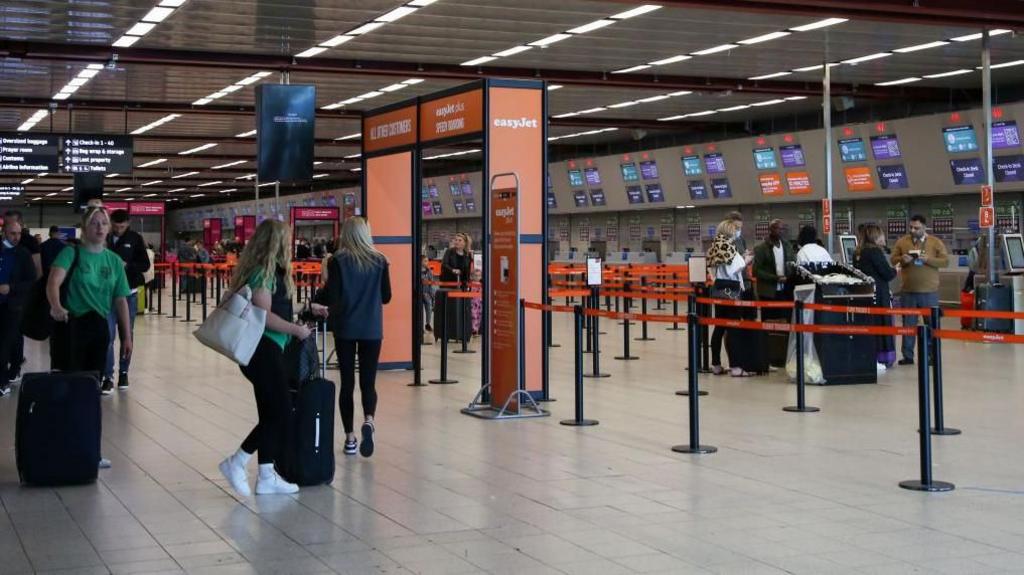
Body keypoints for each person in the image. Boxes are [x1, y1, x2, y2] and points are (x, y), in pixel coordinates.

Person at [218, 220, 309, 497]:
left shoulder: (269, 272)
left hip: (267, 351)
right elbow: (264, 316)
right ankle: (237, 461)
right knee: (281, 412)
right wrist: (296, 330)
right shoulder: (263, 273)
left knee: (270, 412)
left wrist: (305, 308)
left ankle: (267, 474)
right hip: (263, 351)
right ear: (277, 243)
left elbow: (273, 307)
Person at [48, 206, 133, 470]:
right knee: (69, 387)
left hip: (99, 328)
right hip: (72, 326)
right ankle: (64, 446)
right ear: (84, 227)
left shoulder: (113, 261)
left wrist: (127, 337)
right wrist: (56, 306)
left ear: (109, 228)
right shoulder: (70, 252)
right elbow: (54, 283)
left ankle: (91, 451)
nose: (99, 227)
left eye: (103, 223)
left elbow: (121, 300)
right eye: (94, 223)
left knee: (91, 392)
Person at [311, 217, 390, 458]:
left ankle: (349, 439)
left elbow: (332, 296)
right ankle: (369, 419)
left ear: (345, 234)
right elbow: (386, 297)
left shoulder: (337, 261)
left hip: (345, 328)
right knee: (368, 382)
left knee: (347, 383)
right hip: (372, 329)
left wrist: (320, 293)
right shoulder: (380, 260)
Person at [103, 210, 151, 393]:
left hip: (128, 293)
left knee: (126, 334)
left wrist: (128, 266)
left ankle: (124, 372)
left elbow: (145, 265)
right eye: (115, 226)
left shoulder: (135, 239)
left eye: (122, 227)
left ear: (128, 224)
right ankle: (108, 376)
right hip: (107, 295)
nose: (118, 230)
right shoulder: (105, 238)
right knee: (107, 336)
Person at [890, 214, 948, 366]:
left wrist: (928, 259)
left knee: (931, 325)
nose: (913, 230)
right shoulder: (902, 242)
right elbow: (893, 259)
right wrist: (902, 259)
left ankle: (931, 355)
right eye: (911, 227)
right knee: (908, 324)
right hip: (908, 291)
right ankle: (907, 355)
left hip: (929, 291)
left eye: (916, 228)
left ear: (924, 227)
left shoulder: (935, 242)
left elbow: (945, 261)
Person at [707, 219, 755, 377]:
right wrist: (746, 259)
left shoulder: (716, 245)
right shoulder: (728, 245)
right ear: (730, 231)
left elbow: (716, 268)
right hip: (731, 292)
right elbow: (735, 267)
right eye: (735, 230)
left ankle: (716, 364)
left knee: (719, 328)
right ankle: (735, 367)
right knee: (733, 329)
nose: (737, 232)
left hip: (719, 290)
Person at [0, 219, 37, 395]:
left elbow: (31, 281)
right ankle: (11, 370)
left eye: (19, 234)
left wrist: (11, 288)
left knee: (5, 342)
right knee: (9, 341)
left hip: (14, 306)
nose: (16, 237)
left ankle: (3, 379)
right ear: (4, 232)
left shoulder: (23, 254)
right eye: (12, 233)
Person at [854, 224, 898, 369]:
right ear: (876, 237)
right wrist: (895, 269)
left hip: (866, 294)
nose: (883, 237)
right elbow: (886, 273)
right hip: (879, 295)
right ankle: (884, 356)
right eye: (881, 234)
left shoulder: (859, 252)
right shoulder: (875, 252)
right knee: (882, 323)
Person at [753, 219, 795, 320]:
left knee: (785, 320)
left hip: (785, 291)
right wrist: (775, 278)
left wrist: (789, 276)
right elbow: (756, 271)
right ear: (770, 229)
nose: (780, 231)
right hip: (768, 292)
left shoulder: (788, 246)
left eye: (782, 229)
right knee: (769, 321)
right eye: (777, 228)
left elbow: (793, 264)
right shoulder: (761, 248)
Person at [435, 233, 471, 342]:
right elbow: (444, 265)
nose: (457, 242)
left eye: (460, 240)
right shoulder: (449, 252)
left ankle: (459, 334)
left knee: (459, 309)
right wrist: (453, 270)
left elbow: (467, 271)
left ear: (464, 243)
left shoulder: (467, 255)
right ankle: (445, 334)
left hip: (460, 286)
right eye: (456, 240)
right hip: (447, 284)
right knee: (447, 310)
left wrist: (467, 284)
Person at [420, 255, 436, 332]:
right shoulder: (417, 270)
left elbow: (431, 283)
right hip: (420, 293)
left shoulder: (429, 271)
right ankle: (420, 326)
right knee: (420, 310)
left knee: (428, 307)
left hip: (427, 292)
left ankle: (428, 323)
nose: (427, 262)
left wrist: (432, 295)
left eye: (427, 261)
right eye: (425, 261)